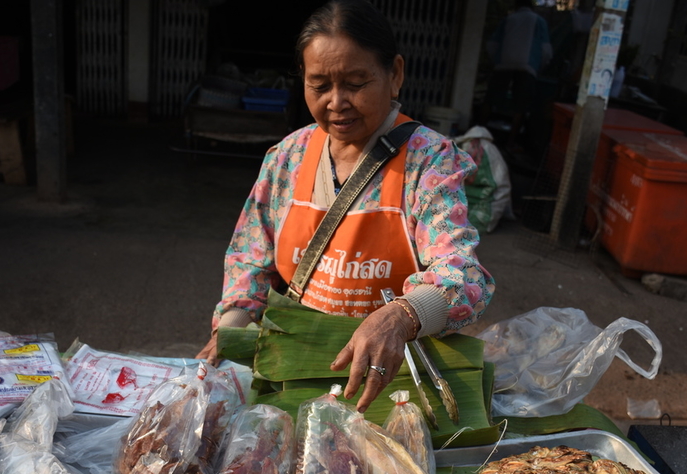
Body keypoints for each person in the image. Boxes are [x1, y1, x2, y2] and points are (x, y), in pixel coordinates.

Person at [199, 0, 494, 412]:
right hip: (296, 372)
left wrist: (401, 316)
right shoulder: (288, 157)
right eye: (320, 86)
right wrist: (230, 332)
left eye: (356, 83)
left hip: (390, 386)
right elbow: (250, 261)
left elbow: (464, 275)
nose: (336, 102)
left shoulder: (429, 160)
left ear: (395, 75)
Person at [486, 0, 553, 150]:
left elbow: (492, 45)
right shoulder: (539, 21)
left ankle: (480, 133)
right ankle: (511, 141)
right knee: (521, 106)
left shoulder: (508, 19)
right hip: (528, 66)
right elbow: (546, 51)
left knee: (490, 99)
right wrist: (537, 69)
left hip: (503, 64)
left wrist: (496, 61)